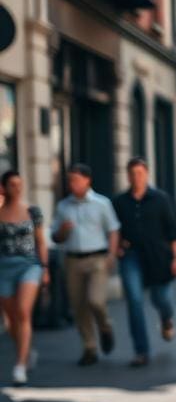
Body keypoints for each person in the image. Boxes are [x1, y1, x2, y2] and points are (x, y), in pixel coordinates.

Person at [113, 157, 176, 367]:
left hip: (159, 257)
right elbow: (114, 231)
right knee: (134, 300)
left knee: (160, 298)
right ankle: (141, 350)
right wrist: (115, 248)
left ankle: (166, 317)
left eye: (140, 173)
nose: (137, 178)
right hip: (132, 256)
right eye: (133, 174)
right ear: (128, 176)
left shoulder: (161, 199)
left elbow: (172, 231)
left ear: (147, 174)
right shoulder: (119, 202)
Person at [52, 163, 121, 366]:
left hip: (97, 258)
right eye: (69, 179)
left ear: (87, 180)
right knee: (79, 307)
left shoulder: (102, 203)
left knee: (95, 301)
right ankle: (89, 347)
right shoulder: (63, 206)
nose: (72, 183)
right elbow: (56, 237)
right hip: (73, 260)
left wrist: (111, 255)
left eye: (75, 179)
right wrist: (63, 231)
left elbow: (113, 229)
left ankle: (105, 326)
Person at [0, 171, 48, 385]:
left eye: (19, 184)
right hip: (4, 267)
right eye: (12, 184)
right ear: (4, 188)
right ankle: (26, 350)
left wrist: (45, 267)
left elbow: (40, 241)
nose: (17, 188)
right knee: (11, 320)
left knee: (23, 311)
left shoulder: (32, 211)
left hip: (29, 266)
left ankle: (20, 365)